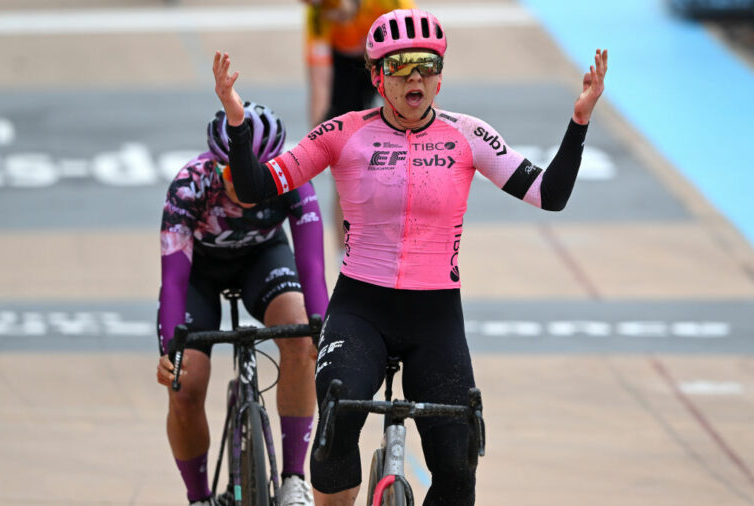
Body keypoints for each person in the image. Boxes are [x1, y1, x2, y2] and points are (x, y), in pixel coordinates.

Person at [212, 7, 608, 505]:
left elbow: (550, 194)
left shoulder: (468, 134)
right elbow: (255, 186)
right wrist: (237, 121)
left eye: (426, 64)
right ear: (378, 76)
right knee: (337, 421)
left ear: (440, 78)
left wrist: (579, 121)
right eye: (400, 67)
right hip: (362, 310)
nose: (414, 76)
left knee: (459, 466)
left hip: (435, 316)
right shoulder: (343, 133)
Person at [155, 101, 328, 506]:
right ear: (216, 165)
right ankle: (199, 498)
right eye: (235, 172)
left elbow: (312, 265)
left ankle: (292, 479)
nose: (248, 182)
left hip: (262, 260)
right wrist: (171, 350)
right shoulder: (188, 187)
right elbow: (174, 280)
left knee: (303, 341)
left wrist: (321, 325)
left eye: (261, 173)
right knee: (185, 385)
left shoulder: (293, 180)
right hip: (199, 273)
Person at [302, 0, 416, 253]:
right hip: (344, 64)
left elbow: (415, 65)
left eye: (329, 6)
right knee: (343, 170)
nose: (329, 13)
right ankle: (346, 258)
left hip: (388, 53)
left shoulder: (388, 3)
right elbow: (319, 83)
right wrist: (319, 140)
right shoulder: (318, 15)